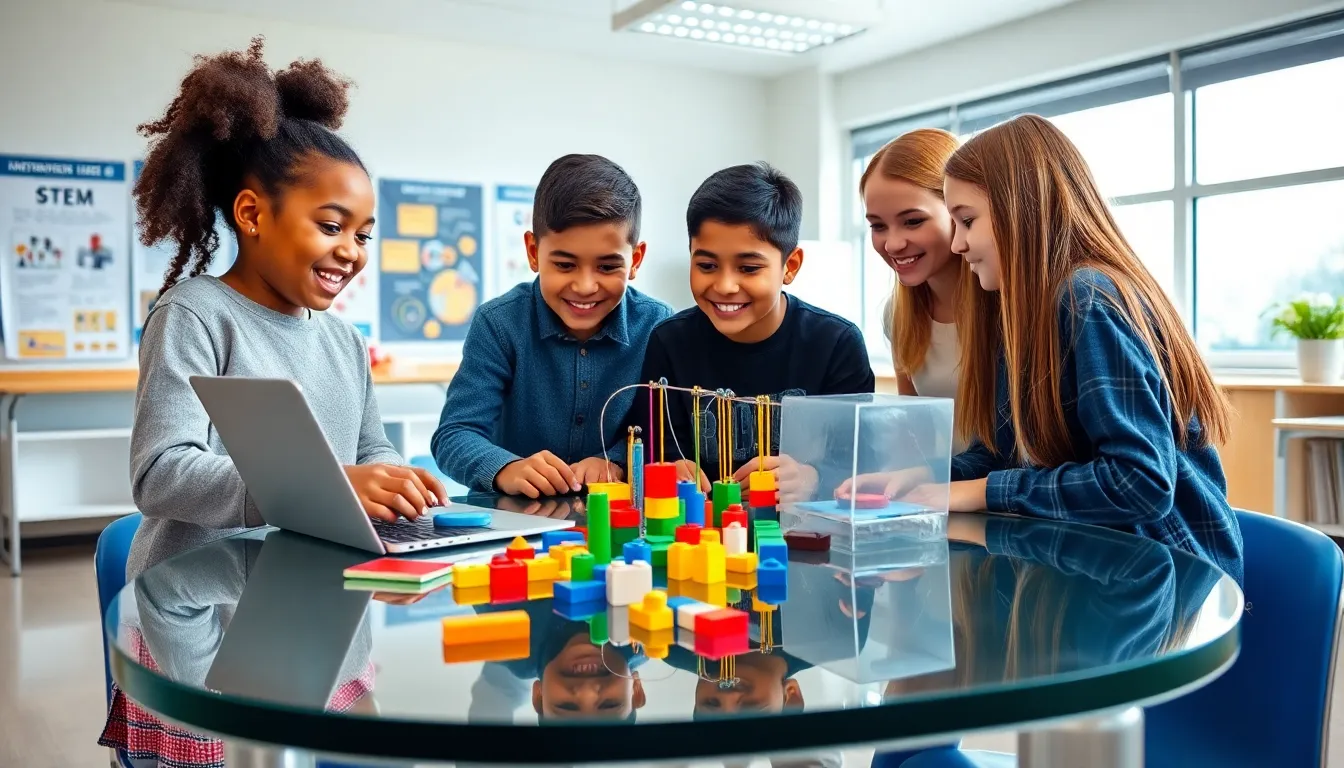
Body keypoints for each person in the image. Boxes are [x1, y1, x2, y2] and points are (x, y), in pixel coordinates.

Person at [127, 37, 445, 578]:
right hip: (201, 608)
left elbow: (371, 448)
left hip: (315, 595)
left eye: (364, 235)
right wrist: (323, 488)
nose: (350, 251)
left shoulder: (344, 340)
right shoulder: (196, 315)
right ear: (252, 214)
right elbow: (160, 472)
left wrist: (395, 480)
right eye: (330, 225)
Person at [907, 114, 1242, 584]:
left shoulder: (1089, 298)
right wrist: (920, 478)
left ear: (1021, 210)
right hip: (1096, 566)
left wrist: (982, 491)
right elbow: (1004, 452)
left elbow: (1139, 484)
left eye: (967, 221)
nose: (958, 244)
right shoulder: (1023, 312)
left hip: (1170, 579)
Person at [432, 154, 671, 498]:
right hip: (511, 524)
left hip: (620, 523)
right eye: (564, 264)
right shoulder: (499, 324)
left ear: (634, 261)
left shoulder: (658, 326)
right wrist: (505, 467)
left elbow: (669, 433)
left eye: (607, 267)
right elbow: (454, 435)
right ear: (532, 252)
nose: (585, 286)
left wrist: (617, 460)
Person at [632, 163, 874, 490]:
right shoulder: (669, 341)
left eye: (748, 268)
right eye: (706, 265)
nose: (726, 285)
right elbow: (647, 446)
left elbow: (862, 463)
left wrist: (812, 477)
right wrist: (669, 467)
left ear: (790, 266)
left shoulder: (835, 344)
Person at [862, 129, 967, 409]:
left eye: (912, 221)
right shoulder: (898, 315)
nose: (893, 245)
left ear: (959, 211)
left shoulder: (1008, 308)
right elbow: (913, 432)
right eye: (878, 226)